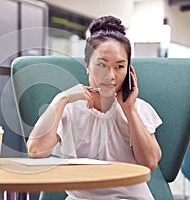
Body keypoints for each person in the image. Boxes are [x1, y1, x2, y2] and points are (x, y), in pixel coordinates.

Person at [27, 15, 162, 200]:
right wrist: (61, 99)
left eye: (119, 66)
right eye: (101, 65)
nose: (111, 76)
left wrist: (129, 109)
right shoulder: (70, 109)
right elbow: (35, 150)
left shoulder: (138, 108)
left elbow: (150, 162)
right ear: (87, 67)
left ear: (129, 71)